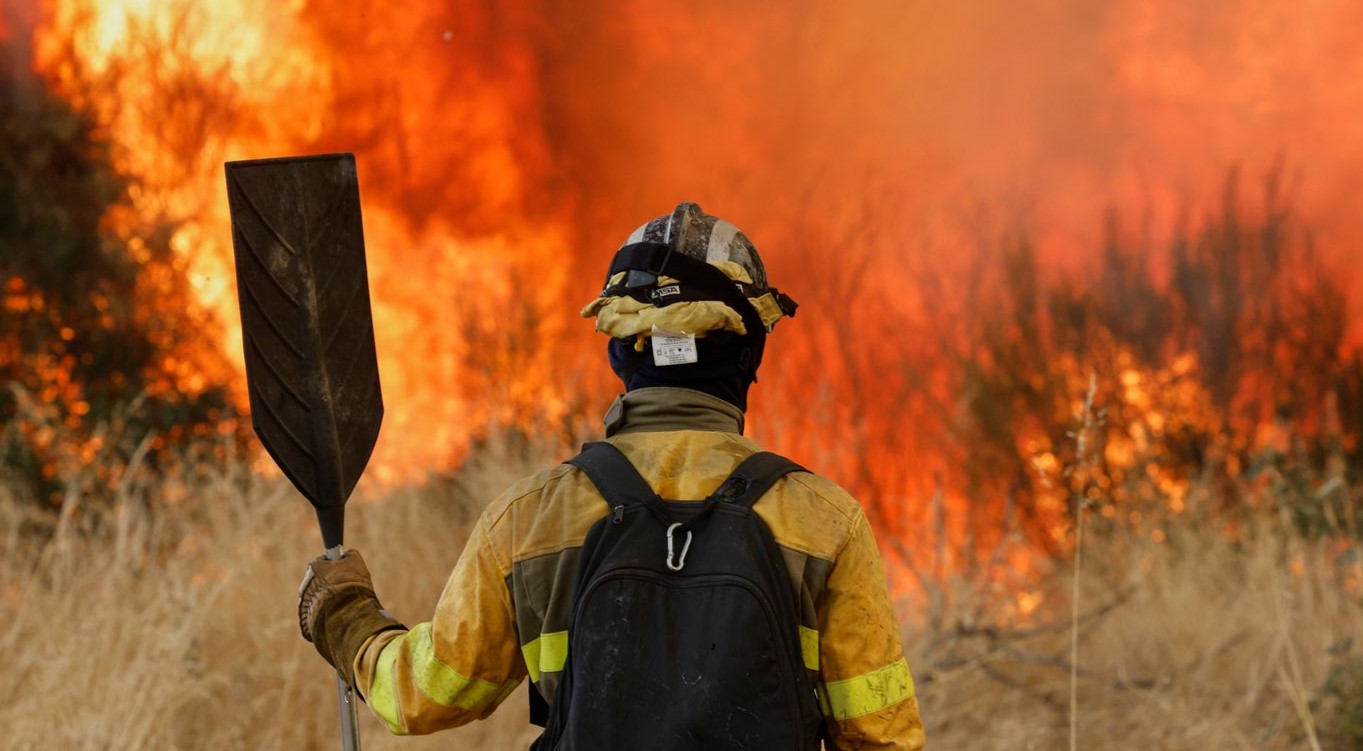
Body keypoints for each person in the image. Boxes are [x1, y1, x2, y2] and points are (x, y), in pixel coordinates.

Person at [298, 202, 926, 749]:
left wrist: (347, 616)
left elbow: (425, 695)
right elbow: (881, 735)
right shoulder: (824, 522)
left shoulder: (532, 519)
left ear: (620, 352)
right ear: (749, 353)